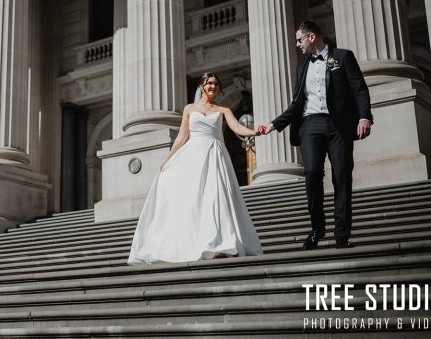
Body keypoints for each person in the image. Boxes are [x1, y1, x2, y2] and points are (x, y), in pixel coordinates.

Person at [257, 20, 372, 250]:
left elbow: (359, 88)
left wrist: (364, 117)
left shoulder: (342, 57)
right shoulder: (302, 68)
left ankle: (342, 234)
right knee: (311, 173)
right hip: (310, 125)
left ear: (311, 37)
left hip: (338, 126)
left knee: (341, 176)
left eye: (299, 39)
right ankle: (317, 229)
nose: (297, 44)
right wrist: (273, 124)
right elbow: (297, 104)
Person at [128, 73, 263, 264]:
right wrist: (167, 159)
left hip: (214, 155)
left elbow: (236, 127)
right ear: (201, 86)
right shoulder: (189, 109)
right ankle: (197, 240)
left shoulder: (223, 109)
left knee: (216, 197)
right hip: (193, 155)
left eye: (216, 84)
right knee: (196, 199)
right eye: (209, 84)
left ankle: (221, 242)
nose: (213, 87)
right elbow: (182, 137)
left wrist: (253, 131)